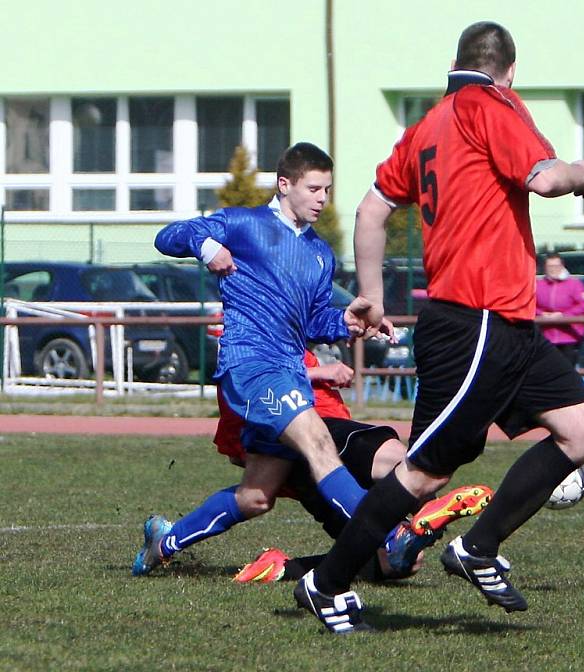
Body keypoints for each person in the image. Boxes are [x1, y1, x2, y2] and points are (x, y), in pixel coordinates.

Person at [293, 21, 584, 634]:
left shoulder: (427, 124)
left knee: (581, 429)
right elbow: (543, 178)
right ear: (508, 71)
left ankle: (477, 547)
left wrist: (373, 294)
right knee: (426, 472)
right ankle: (325, 583)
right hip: (474, 320)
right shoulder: (491, 104)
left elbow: (371, 208)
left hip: (506, 321)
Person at [142, 142, 406, 574]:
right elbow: (167, 236)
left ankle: (164, 542)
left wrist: (349, 321)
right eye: (314, 188)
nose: (323, 198)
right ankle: (387, 534)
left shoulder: (321, 253)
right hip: (250, 365)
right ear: (285, 185)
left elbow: (315, 319)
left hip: (290, 372)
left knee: (256, 497)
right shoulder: (245, 223)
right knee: (320, 444)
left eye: (328, 190)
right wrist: (207, 247)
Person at [133, 348, 492, 581]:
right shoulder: (256, 320)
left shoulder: (293, 283)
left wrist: (354, 318)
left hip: (300, 461)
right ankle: (410, 521)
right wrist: (321, 373)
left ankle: (281, 569)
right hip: (313, 423)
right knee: (395, 462)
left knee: (396, 564)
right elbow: (254, 378)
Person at [536, 253, 584, 366]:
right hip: (547, 337)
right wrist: (542, 314)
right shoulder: (539, 285)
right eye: (550, 267)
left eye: (556, 266)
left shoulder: (574, 284)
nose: (553, 270)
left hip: (570, 336)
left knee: (567, 370)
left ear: (562, 266)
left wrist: (564, 315)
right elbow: (530, 304)